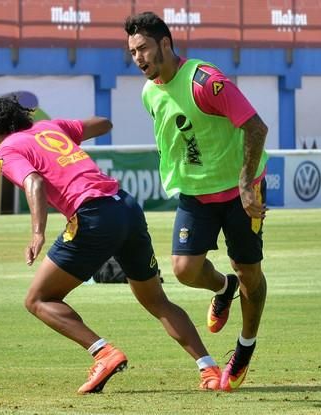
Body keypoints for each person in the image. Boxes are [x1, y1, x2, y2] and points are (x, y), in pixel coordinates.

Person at [0, 95, 221, 393]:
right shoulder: (49, 128)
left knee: (38, 299)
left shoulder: (6, 150)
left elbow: (34, 182)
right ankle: (210, 370)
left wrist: (37, 233)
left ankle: (103, 353)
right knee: (156, 301)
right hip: (125, 207)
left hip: (93, 215)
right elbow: (104, 124)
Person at [124, 12, 269, 391]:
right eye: (132, 52)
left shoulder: (206, 81)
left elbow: (256, 127)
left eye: (143, 49)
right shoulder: (149, 92)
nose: (138, 58)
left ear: (165, 45)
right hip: (196, 194)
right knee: (185, 270)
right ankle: (224, 288)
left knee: (250, 272)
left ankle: (245, 347)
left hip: (240, 191)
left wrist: (247, 183)